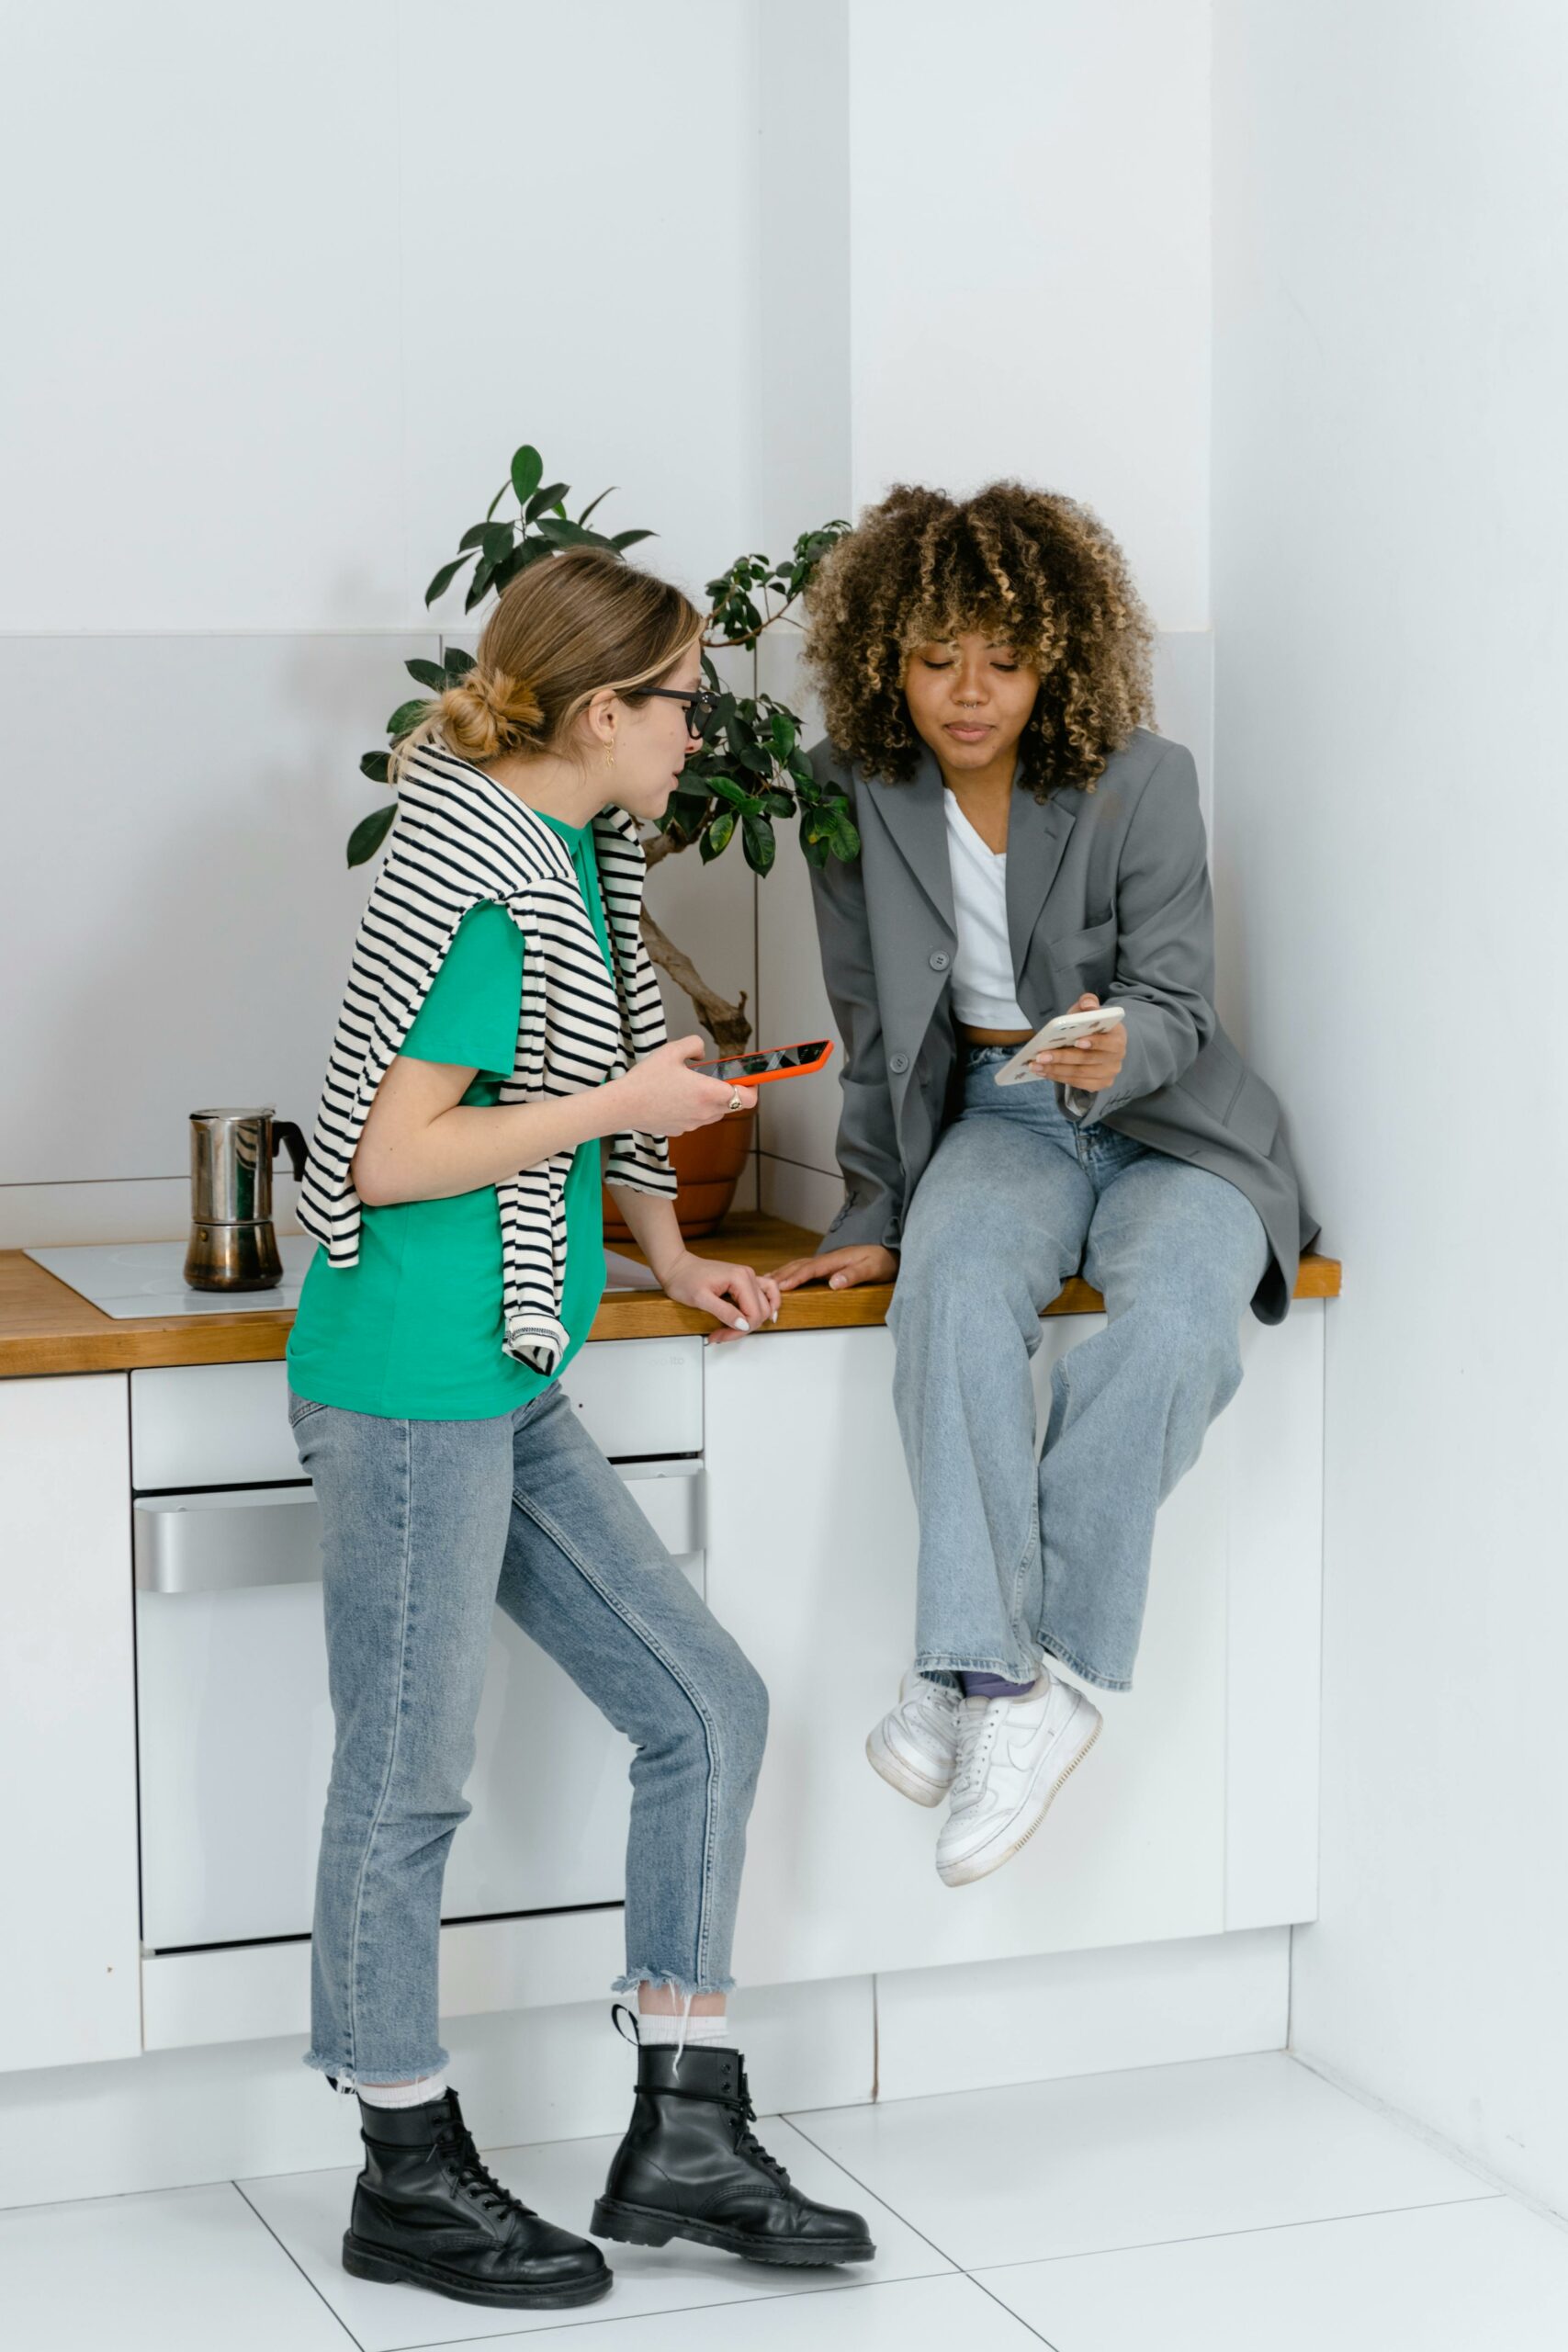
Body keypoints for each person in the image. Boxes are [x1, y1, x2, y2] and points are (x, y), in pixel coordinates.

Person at [287, 548, 873, 2313]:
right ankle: (405, 2167)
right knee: (407, 1782)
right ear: (604, 708)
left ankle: (684, 2126)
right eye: (687, 698)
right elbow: (391, 1159)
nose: (703, 731)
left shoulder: (569, 856)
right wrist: (630, 1105)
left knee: (706, 1702)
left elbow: (581, 1074)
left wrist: (675, 1250)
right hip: (402, 1376)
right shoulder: (475, 878)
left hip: (503, 1368)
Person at [774, 481, 1317, 1891]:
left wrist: (1121, 1046)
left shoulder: (1144, 777)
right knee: (949, 1293)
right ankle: (1009, 1688)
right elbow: (877, 1024)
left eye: (1003, 662)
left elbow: (1182, 1000)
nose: (969, 694)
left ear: (1056, 660)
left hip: (1169, 1123)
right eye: (936, 657)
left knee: (1177, 1317)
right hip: (1000, 1117)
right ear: (885, 655)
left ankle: (984, 1667)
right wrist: (876, 1210)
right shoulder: (848, 787)